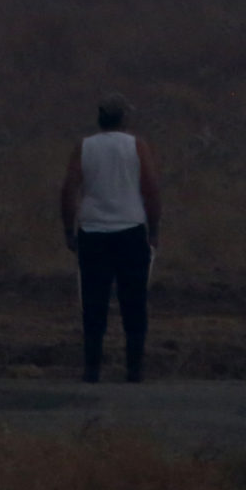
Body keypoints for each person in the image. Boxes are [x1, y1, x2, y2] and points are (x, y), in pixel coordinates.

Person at [59, 92, 161, 383]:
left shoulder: (84, 147)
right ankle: (134, 368)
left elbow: (69, 191)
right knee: (134, 301)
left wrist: (69, 229)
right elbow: (151, 188)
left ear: (99, 119)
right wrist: (153, 228)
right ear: (124, 119)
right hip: (131, 230)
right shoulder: (137, 146)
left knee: (93, 302)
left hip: (93, 233)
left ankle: (92, 368)